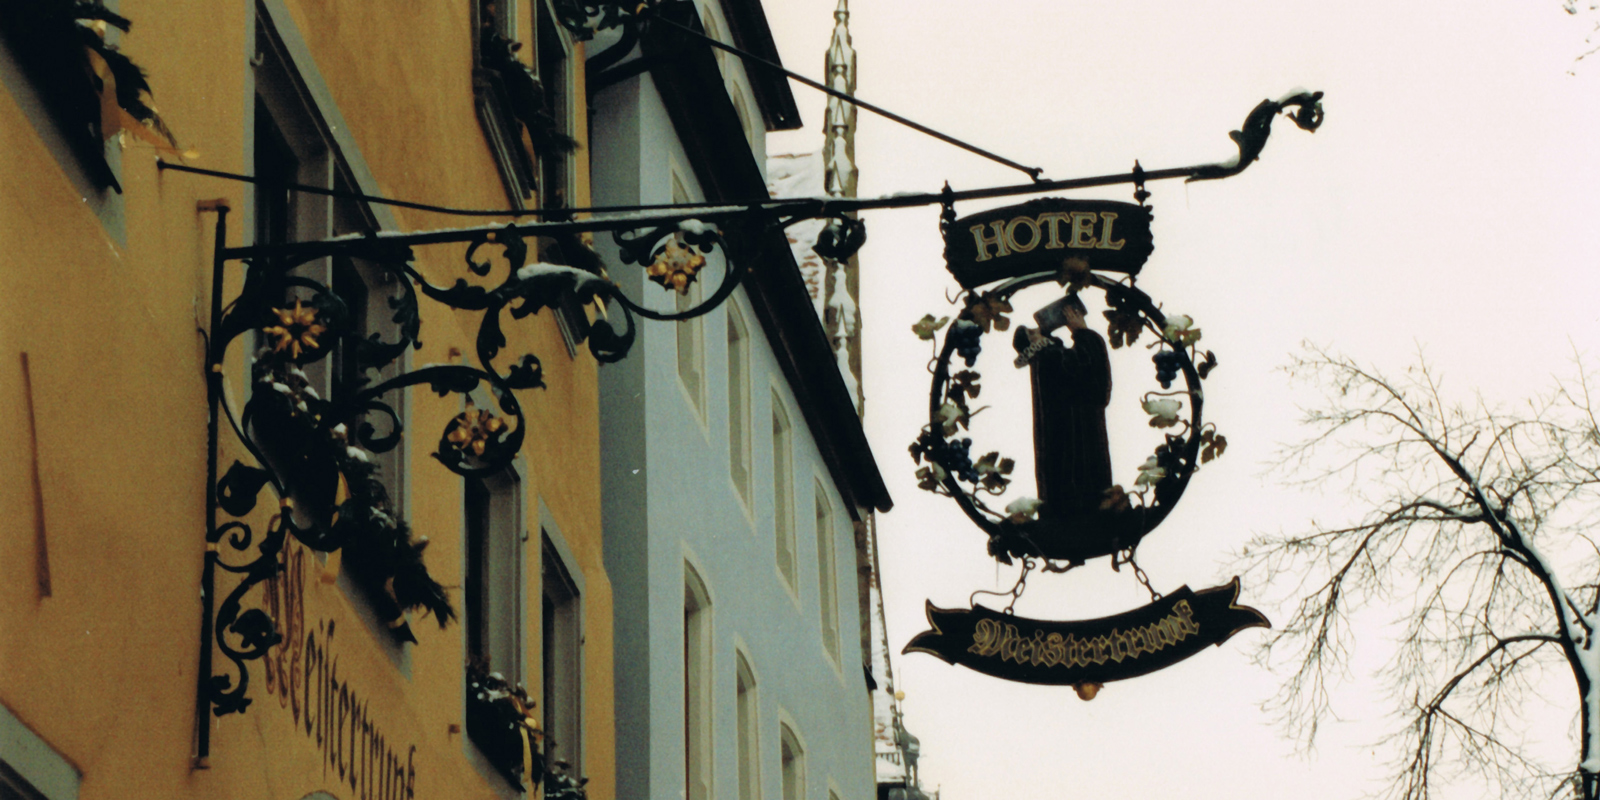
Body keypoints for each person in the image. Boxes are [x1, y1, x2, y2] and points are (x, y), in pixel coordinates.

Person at [1013, 294, 1130, 560]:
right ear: (1033, 344)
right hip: (1079, 466)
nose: (1040, 330)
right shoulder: (1049, 357)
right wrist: (1081, 332)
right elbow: (1095, 382)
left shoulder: (1046, 360)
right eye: (1032, 332)